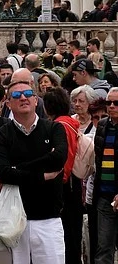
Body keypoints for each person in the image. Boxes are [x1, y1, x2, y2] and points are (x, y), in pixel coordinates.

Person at [0, 80, 68, 263]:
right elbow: (2, 173)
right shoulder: (0, 135)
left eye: (27, 94)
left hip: (48, 218)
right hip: (14, 220)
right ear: (8, 103)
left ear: (36, 100)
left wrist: (16, 169)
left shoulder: (54, 129)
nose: (23, 98)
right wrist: (41, 175)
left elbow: (58, 160)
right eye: (16, 95)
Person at [43, 86, 83, 264]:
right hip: (73, 183)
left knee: (67, 234)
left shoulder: (59, 125)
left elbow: (64, 158)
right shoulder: (70, 122)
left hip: (65, 184)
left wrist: (58, 181)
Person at [92, 87, 118, 264]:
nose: (111, 106)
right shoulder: (102, 125)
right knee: (103, 247)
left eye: (116, 103)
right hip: (104, 195)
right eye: (109, 102)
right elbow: (98, 159)